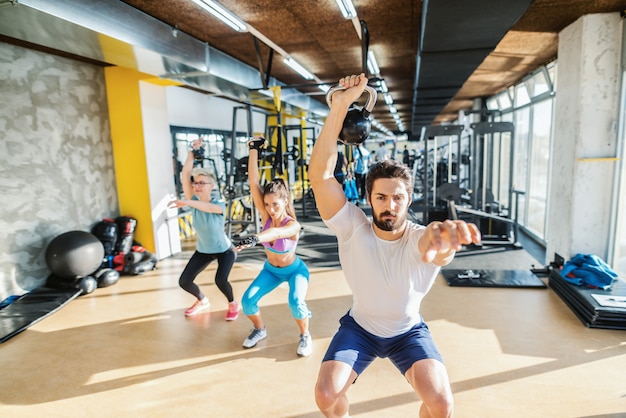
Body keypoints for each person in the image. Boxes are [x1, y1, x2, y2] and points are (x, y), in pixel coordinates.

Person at [308, 73, 482, 418]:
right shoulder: (351, 226)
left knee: (442, 405)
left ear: (409, 199)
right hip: (361, 329)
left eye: (398, 197)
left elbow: (436, 242)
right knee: (326, 394)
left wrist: (447, 238)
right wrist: (340, 106)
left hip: (407, 333)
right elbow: (321, 177)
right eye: (382, 197)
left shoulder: (420, 236)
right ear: (369, 199)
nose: (390, 205)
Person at [234, 136, 313, 357]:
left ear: (286, 202)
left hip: (295, 270)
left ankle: (305, 335)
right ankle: (260, 330)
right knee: (248, 301)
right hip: (270, 270)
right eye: (267, 204)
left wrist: (254, 238)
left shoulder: (293, 225)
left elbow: (277, 233)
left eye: (275, 204)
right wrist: (252, 150)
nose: (270, 209)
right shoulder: (266, 215)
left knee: (296, 302)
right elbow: (253, 183)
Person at [168, 138, 240, 320]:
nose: (197, 186)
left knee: (220, 280)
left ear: (212, 185)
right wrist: (192, 151)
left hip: (225, 251)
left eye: (202, 183)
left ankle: (233, 303)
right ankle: (202, 300)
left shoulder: (219, 204)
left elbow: (207, 208)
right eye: (196, 183)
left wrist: (185, 201)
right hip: (204, 250)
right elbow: (185, 174)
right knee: (184, 281)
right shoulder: (194, 201)